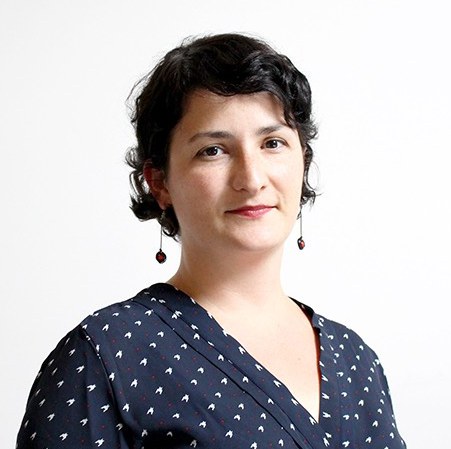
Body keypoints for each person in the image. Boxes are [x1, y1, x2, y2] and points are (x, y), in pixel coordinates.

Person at [16, 33, 406, 448]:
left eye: (273, 143)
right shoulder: (106, 356)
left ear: (303, 161)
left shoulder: (356, 360)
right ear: (159, 182)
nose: (251, 179)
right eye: (213, 151)